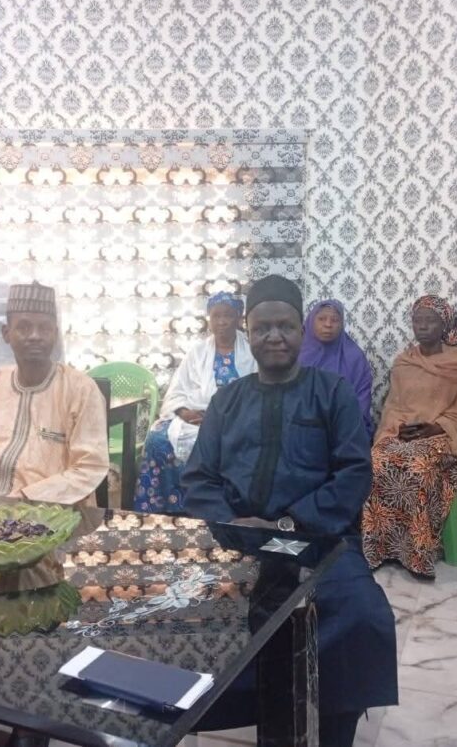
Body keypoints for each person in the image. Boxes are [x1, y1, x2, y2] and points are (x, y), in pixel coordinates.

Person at [182, 274, 398, 747]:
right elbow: (198, 479)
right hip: (236, 540)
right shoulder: (227, 400)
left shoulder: (332, 391)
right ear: (248, 332)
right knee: (179, 617)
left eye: (284, 326)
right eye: (262, 328)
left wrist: (286, 524)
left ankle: (334, 730)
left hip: (314, 539)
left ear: (301, 330)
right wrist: (234, 523)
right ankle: (227, 716)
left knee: (360, 616)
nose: (274, 336)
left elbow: (354, 472)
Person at [0, 282, 109, 504]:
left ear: (55, 334)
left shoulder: (81, 390)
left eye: (45, 328)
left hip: (52, 511)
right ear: (6, 333)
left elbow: (89, 467)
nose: (34, 336)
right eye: (23, 327)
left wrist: (26, 500)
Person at [362, 295, 457, 577]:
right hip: (404, 433)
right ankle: (381, 547)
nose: (422, 326)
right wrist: (399, 426)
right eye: (417, 320)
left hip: (444, 436)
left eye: (429, 320)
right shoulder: (404, 362)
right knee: (376, 461)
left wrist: (436, 427)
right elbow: (394, 406)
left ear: (444, 325)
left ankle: (417, 552)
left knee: (419, 467)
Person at [134, 292, 256, 513]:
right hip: (196, 417)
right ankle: (166, 507)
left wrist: (222, 416)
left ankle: (218, 507)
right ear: (209, 318)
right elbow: (177, 389)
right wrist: (184, 412)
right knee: (157, 439)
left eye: (228, 315)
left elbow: (257, 394)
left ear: (239, 318)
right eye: (216, 316)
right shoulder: (198, 351)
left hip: (236, 420)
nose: (221, 322)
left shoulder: (251, 350)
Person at [298, 299, 374, 435]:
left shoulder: (354, 358)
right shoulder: (296, 355)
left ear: (342, 324)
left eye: (335, 320)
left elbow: (361, 403)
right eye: (322, 319)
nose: (328, 324)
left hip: (345, 430)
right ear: (311, 321)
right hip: (301, 429)